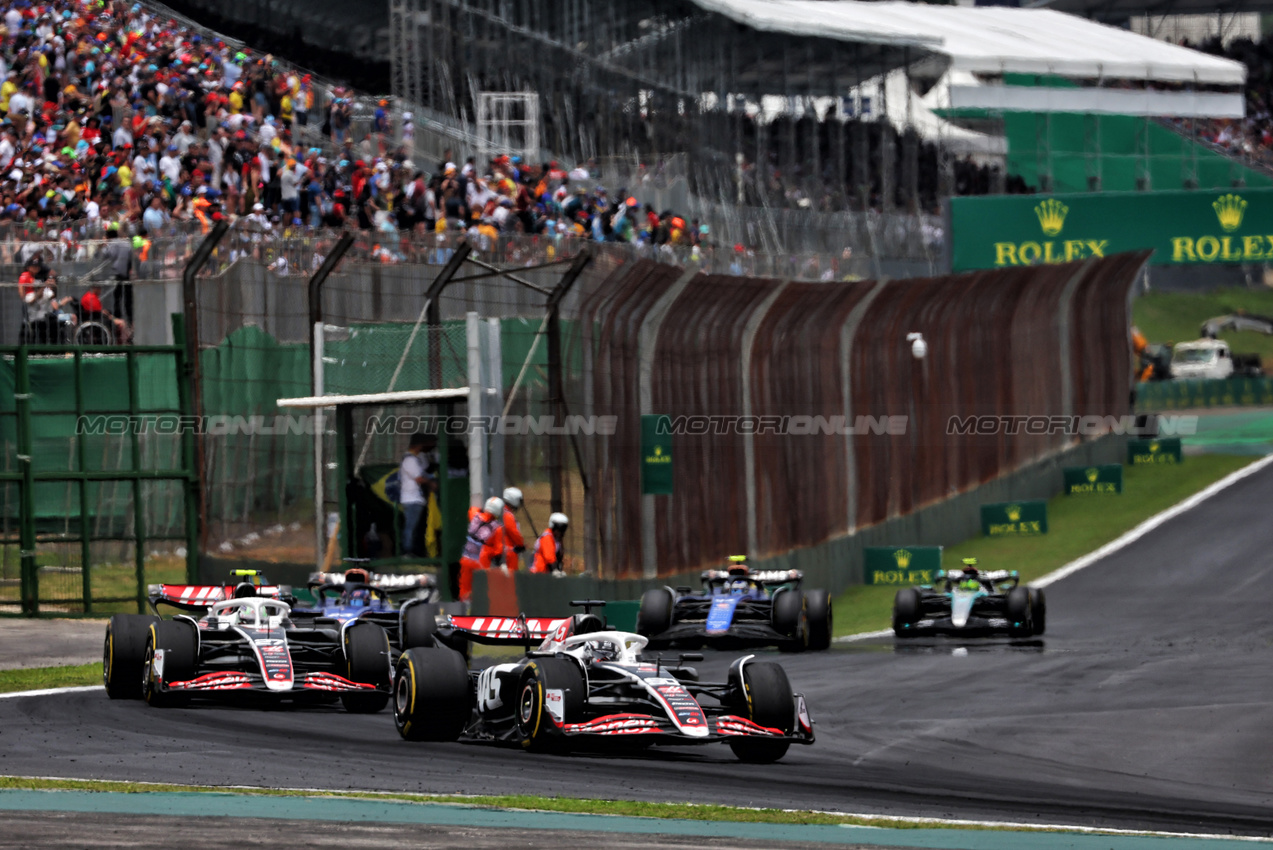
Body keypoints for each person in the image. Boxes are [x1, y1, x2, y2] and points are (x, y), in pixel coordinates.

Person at [458, 496, 504, 601]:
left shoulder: (474, 515)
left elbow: (473, 509)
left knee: (464, 589)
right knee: (480, 590)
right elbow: (498, 550)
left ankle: (464, 609)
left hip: (465, 558)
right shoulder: (497, 528)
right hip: (479, 562)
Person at [398, 432, 433, 556]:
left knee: (416, 527)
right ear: (418, 445)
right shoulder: (409, 459)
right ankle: (407, 551)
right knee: (411, 527)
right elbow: (419, 478)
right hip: (411, 499)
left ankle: (414, 550)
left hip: (416, 499)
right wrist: (431, 483)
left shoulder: (416, 459)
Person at [99, 225, 134, 325]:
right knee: (128, 298)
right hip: (127, 273)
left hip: (116, 273)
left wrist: (104, 244)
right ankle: (130, 319)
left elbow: (106, 255)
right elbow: (132, 256)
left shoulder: (111, 244)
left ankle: (118, 318)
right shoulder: (126, 243)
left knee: (117, 297)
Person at [500, 487, 526, 570]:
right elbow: (513, 531)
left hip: (504, 550)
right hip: (509, 551)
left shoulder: (502, 512)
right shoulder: (508, 515)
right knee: (512, 578)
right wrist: (521, 544)